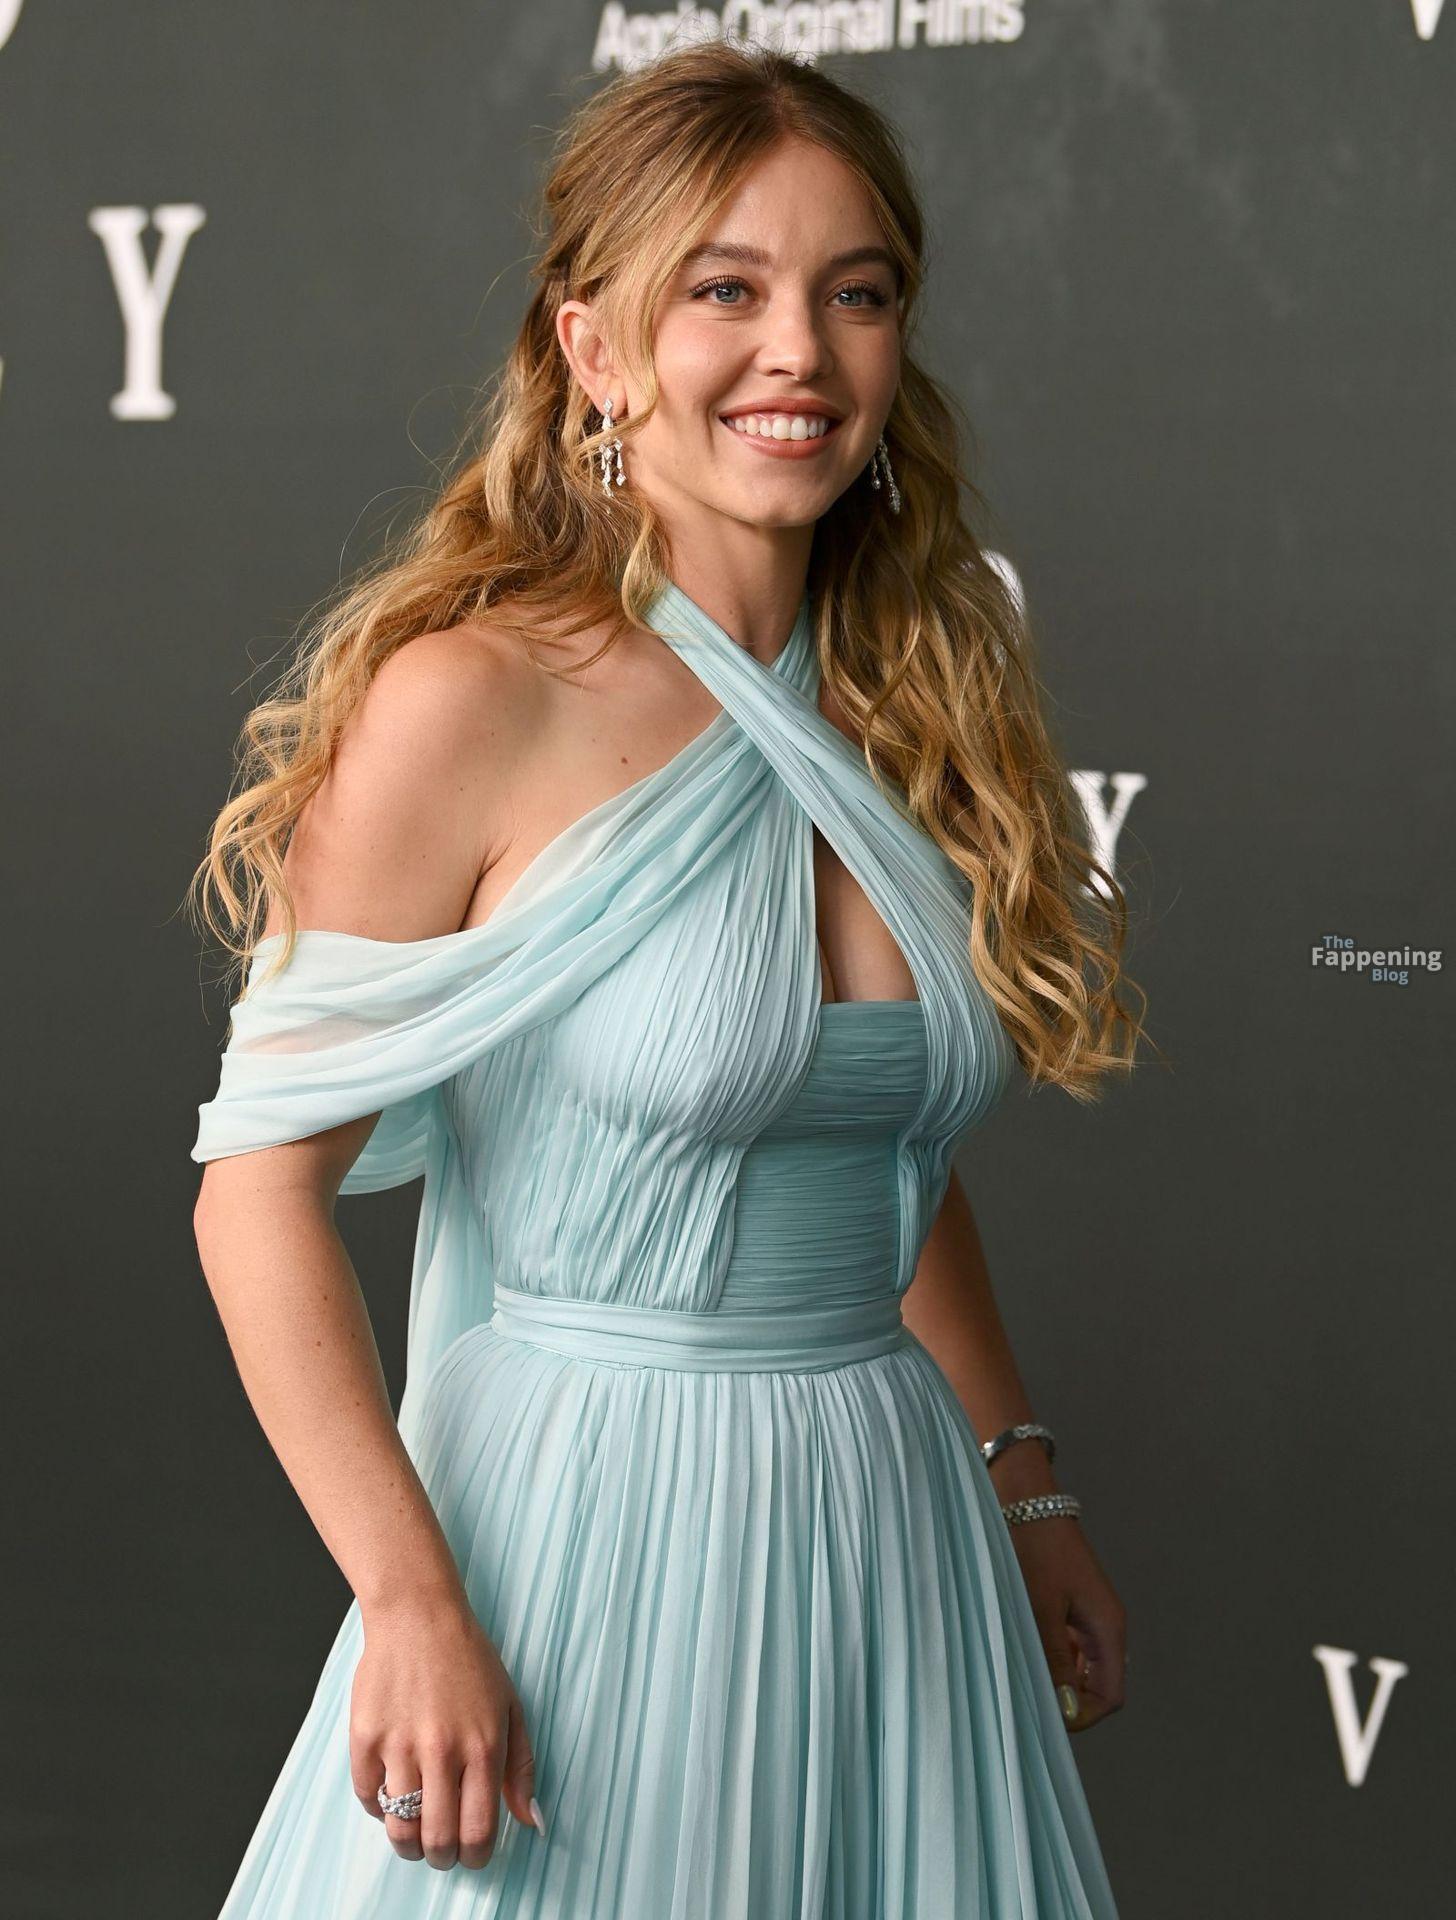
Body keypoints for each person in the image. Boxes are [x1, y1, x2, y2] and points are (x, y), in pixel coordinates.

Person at [188, 39, 1145, 1920]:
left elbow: (869, 1145)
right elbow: (257, 1197)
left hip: (894, 1532)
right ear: (595, 349)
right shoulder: (475, 703)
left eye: (854, 293)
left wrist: (1022, 1486)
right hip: (585, 1533)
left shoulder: (914, 713)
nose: (799, 350)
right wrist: (407, 1598)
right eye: (724, 289)